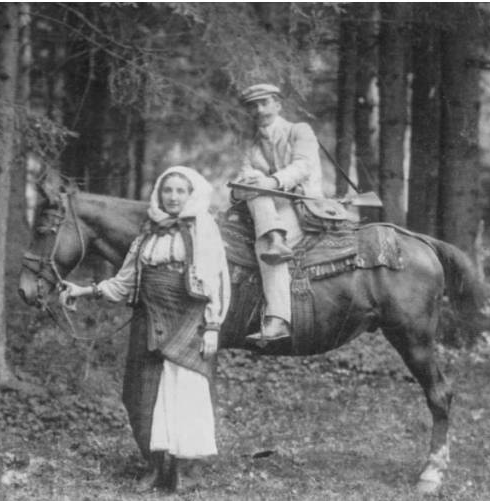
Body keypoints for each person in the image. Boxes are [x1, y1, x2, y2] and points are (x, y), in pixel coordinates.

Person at [60, 166, 230, 493]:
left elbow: (215, 280)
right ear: (159, 194)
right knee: (141, 394)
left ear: (191, 194)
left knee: (185, 392)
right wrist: (84, 290)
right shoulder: (149, 230)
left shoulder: (202, 228)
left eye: (181, 191)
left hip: (188, 319)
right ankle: (155, 465)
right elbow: (126, 280)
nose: (174, 197)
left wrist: (212, 326)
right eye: (168, 190)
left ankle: (187, 470)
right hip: (148, 318)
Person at [231, 83, 323, 345]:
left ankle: (279, 319)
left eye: (265, 103)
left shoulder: (299, 131)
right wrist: (242, 189)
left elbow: (303, 167)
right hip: (267, 207)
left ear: (277, 105)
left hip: (302, 203)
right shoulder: (253, 148)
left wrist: (267, 183)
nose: (259, 110)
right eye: (253, 106)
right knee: (252, 187)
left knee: (262, 245)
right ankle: (276, 239)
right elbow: (239, 183)